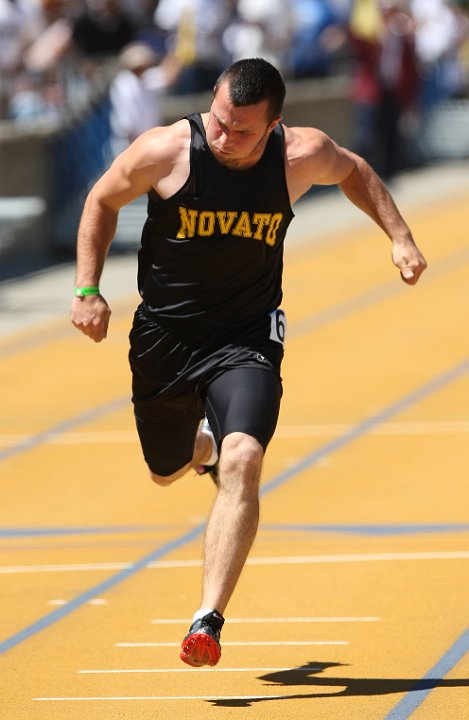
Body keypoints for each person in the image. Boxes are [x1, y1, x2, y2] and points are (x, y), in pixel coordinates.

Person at [70, 57, 427, 668]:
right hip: (165, 337)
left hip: (247, 335)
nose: (223, 138)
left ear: (274, 126)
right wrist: (87, 289)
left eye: (241, 132)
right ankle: (199, 447)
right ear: (212, 100)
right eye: (219, 121)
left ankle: (207, 618)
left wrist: (399, 235)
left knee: (246, 457)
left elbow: (356, 171)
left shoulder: (299, 154)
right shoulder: (166, 150)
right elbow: (102, 200)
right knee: (166, 471)